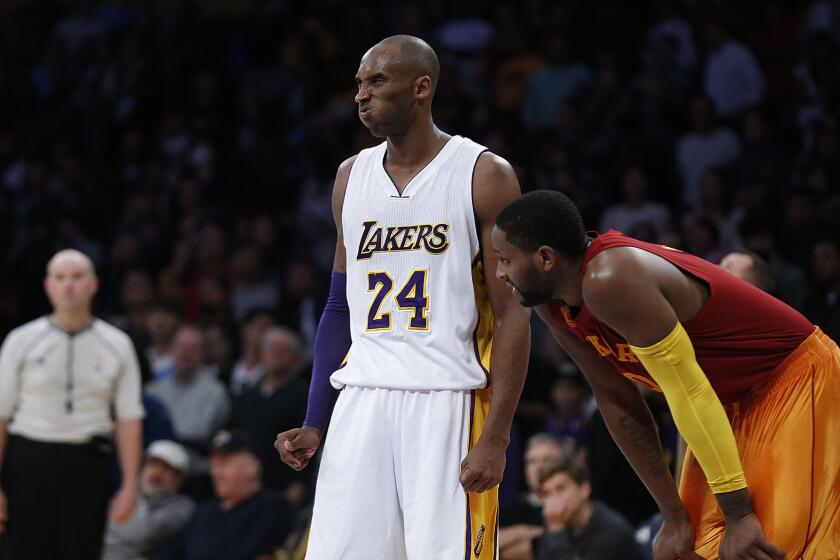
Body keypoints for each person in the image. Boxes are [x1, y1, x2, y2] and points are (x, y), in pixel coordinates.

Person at [275, 35, 531, 559]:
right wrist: (315, 420)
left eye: (376, 81)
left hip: (447, 398)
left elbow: (513, 313)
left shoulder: (484, 174)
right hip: (362, 400)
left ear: (421, 87)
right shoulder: (350, 177)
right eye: (358, 84)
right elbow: (340, 306)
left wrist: (497, 436)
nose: (360, 96)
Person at [492, 190, 840, 559]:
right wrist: (672, 516)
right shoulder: (551, 302)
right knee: (695, 549)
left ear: (546, 258)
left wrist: (738, 514)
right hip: (727, 402)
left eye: (505, 260)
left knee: (770, 547)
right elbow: (616, 399)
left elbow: (687, 391)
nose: (499, 273)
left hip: (795, 379)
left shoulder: (609, 278)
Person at [0, 249, 145, 559]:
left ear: (93, 284)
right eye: (60, 277)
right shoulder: (21, 340)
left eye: (77, 277)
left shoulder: (118, 344)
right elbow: (0, 416)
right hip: (27, 460)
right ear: (48, 286)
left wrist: (130, 486)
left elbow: (129, 419)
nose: (69, 285)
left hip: (87, 464)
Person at [163, 430, 294, 560]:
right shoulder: (202, 512)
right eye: (213, 465)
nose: (216, 473)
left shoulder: (272, 507)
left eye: (224, 464)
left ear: (252, 467)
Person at [232, 326, 308, 504]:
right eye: (272, 348)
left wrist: (299, 482)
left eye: (284, 350)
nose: (276, 353)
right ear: (262, 354)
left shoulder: (304, 395)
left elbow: (309, 442)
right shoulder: (247, 394)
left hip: (282, 483)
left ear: (295, 358)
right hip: (245, 483)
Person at [146, 325, 230, 477]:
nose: (186, 352)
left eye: (194, 348)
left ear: (202, 354)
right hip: (157, 470)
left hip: (195, 472)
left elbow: (199, 432)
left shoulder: (216, 392)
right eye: (181, 346)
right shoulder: (153, 391)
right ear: (172, 349)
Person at [103, 439, 195, 560]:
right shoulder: (128, 493)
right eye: (153, 464)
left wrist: (113, 525)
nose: (157, 472)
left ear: (179, 478)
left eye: (167, 468)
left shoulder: (183, 505)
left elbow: (144, 533)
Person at [536, 457, 643, 560]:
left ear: (584, 489)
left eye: (561, 489)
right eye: (547, 494)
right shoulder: (556, 521)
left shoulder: (612, 530)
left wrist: (557, 532)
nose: (554, 499)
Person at [499, 433, 572, 560]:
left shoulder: (572, 505)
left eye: (546, 460)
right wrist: (523, 531)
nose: (538, 467)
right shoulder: (508, 510)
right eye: (531, 461)